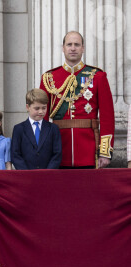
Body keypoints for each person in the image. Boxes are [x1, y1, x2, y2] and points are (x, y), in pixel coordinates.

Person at [39, 31, 114, 169]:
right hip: (58, 150)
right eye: (69, 44)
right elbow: (41, 117)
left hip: (89, 150)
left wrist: (104, 152)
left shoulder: (97, 76)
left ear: (83, 48)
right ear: (63, 48)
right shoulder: (49, 78)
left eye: (77, 45)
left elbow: (107, 117)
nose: (73, 48)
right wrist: (43, 149)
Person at [11, 89, 62, 170]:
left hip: (48, 175)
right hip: (26, 176)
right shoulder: (19, 129)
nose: (41, 111)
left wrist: (48, 172)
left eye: (44, 108)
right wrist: (26, 173)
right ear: (28, 107)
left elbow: (57, 154)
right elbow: (15, 154)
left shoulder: (53, 128)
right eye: (37, 108)